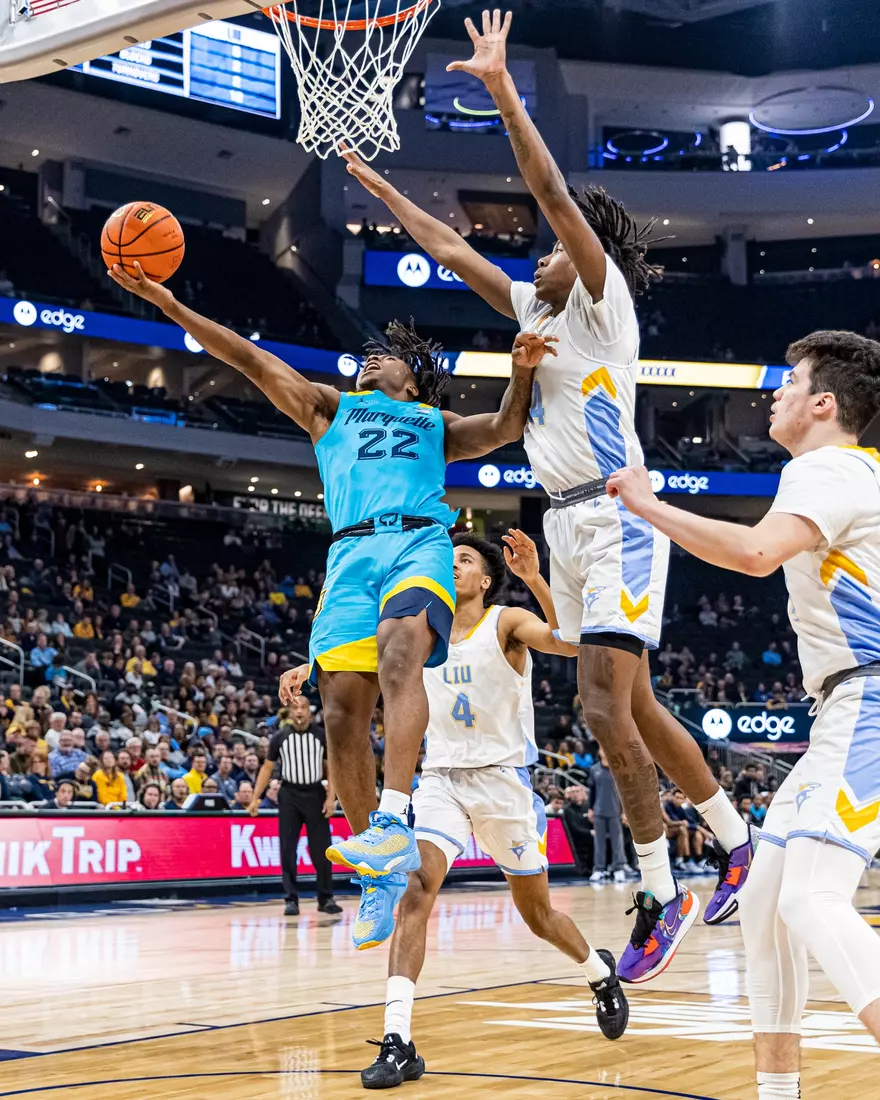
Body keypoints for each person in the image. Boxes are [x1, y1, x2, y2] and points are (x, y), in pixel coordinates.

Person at [344, 8, 751, 982]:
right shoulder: (535, 307)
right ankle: (735, 839)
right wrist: (378, 188)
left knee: (606, 709)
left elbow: (550, 192)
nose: (537, 253)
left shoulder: (603, 299)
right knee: (633, 707)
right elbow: (449, 246)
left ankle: (660, 890)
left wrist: (498, 88)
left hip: (615, 513)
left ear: (590, 248)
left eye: (551, 246)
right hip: (562, 520)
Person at [110, 258, 554, 949]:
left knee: (402, 655)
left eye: (384, 358)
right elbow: (247, 356)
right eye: (364, 358)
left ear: (412, 379)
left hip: (417, 542)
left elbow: (504, 425)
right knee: (343, 713)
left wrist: (522, 368)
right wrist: (170, 303)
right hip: (349, 558)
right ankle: (376, 871)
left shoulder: (433, 423)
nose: (369, 361)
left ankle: (392, 820)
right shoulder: (329, 409)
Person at [606, 329, 880, 1098]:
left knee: (810, 895)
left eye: (789, 383)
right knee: (763, 897)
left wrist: (649, 505)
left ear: (824, 404)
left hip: (871, 696)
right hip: (845, 703)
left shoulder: (828, 466)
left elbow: (756, 555)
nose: (775, 394)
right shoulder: (851, 474)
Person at [356, 530, 627, 1088]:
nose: (452, 565)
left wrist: (534, 578)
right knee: (415, 893)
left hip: (504, 784)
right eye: (447, 558)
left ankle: (600, 974)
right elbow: (358, 667)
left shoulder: (505, 621)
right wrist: (305, 670)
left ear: (483, 579)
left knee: (538, 917)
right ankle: (398, 1039)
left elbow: (571, 640)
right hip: (440, 782)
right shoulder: (419, 629)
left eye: (464, 560)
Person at [248, 695, 341, 917]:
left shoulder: (321, 736)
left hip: (315, 793)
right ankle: (291, 899)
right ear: (290, 712)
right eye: (295, 707)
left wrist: (331, 798)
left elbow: (333, 769)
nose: (299, 712)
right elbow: (266, 768)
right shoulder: (279, 737)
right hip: (289, 794)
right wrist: (255, 798)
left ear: (310, 711)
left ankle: (325, 897)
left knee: (322, 849)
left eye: (303, 707)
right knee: (288, 848)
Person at [588, 748, 627, 883]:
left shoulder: (617, 768)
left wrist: (624, 811)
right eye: (602, 748)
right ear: (599, 752)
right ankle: (599, 869)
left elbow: (624, 792)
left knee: (617, 841)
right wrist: (590, 808)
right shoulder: (594, 769)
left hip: (615, 809)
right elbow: (592, 791)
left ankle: (618, 869)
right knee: (599, 841)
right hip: (598, 810)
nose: (604, 750)